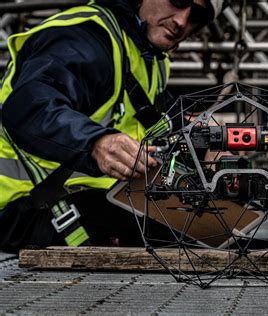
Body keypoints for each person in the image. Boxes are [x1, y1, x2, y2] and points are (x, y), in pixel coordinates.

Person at [0, 0, 228, 252]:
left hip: (78, 200)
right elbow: (30, 107)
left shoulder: (147, 55)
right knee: (179, 233)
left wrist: (207, 139)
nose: (182, 21)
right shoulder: (83, 39)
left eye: (197, 15)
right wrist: (96, 143)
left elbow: (154, 117)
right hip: (22, 208)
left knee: (216, 224)